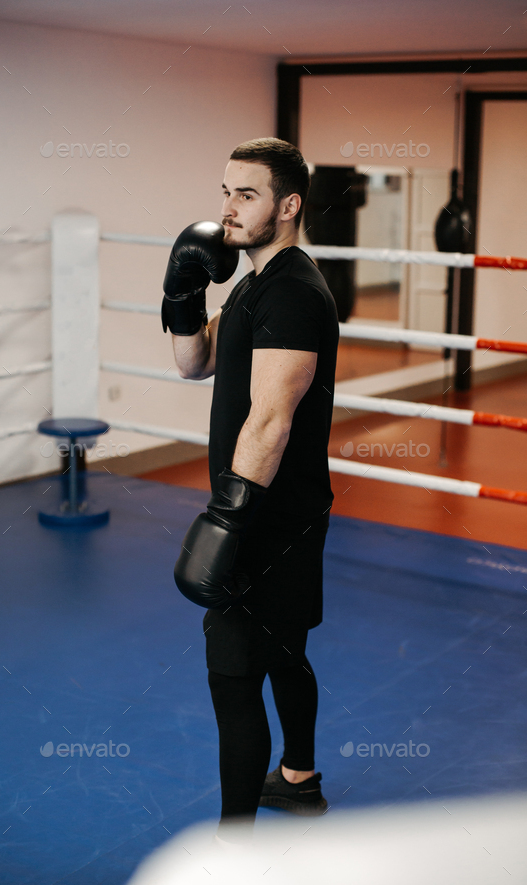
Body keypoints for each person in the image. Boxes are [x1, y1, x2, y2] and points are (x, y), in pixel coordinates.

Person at [161, 137, 339, 843]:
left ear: (288, 206)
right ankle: (300, 780)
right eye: (225, 191)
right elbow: (193, 362)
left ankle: (233, 851)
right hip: (281, 511)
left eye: (247, 194)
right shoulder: (253, 283)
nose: (228, 208)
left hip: (265, 517)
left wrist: (223, 523)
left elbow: (270, 419)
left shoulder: (294, 292)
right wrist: (181, 293)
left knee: (233, 680)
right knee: (287, 652)